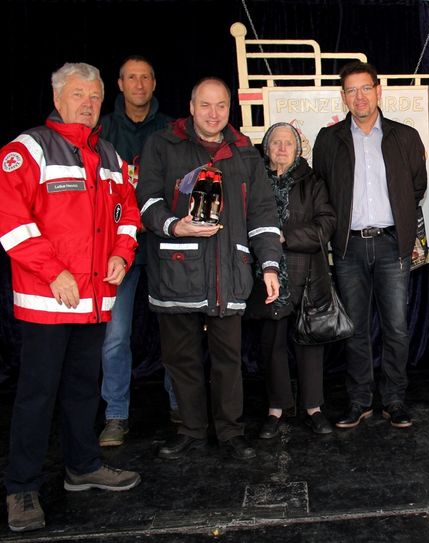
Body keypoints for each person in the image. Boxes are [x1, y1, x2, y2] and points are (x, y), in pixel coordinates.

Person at [0, 62, 142, 533]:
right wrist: (54, 271)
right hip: (48, 300)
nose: (87, 103)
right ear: (59, 99)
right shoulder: (29, 149)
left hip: (95, 301)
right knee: (37, 395)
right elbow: (12, 223)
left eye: (95, 96)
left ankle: (82, 466)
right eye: (79, 94)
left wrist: (122, 254)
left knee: (83, 391)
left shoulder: (110, 156)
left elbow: (127, 214)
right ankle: (21, 487)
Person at [136, 77, 283, 461]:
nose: (213, 113)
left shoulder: (245, 153)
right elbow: (146, 200)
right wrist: (174, 225)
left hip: (227, 274)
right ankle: (191, 429)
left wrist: (269, 265)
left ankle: (231, 432)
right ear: (191, 105)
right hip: (177, 271)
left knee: (228, 360)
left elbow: (263, 214)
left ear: (228, 108)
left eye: (220, 105)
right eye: (205, 105)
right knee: (181, 359)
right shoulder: (162, 145)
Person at [312, 62, 427, 429]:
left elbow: (416, 188)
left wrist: (404, 230)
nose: (359, 96)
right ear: (343, 96)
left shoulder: (405, 136)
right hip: (349, 249)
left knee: (396, 327)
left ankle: (394, 400)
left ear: (379, 90)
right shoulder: (329, 140)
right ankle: (359, 401)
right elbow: (322, 193)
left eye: (366, 88)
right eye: (351, 90)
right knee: (355, 329)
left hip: (393, 245)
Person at [98, 55, 177, 448]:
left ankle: (181, 406)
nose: (139, 84)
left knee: (175, 332)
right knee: (115, 336)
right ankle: (115, 415)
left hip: (164, 245)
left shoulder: (171, 129)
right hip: (118, 249)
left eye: (145, 77)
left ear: (154, 83)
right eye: (132, 78)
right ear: (120, 84)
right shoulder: (103, 129)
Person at [246, 122, 336, 439]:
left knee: (309, 343)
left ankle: (314, 407)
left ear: (298, 149)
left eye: (288, 143)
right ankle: (276, 408)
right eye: (275, 143)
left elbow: (326, 225)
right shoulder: (255, 181)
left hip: (307, 275)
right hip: (265, 275)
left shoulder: (312, 182)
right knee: (271, 344)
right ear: (266, 148)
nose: (282, 148)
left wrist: (284, 237)